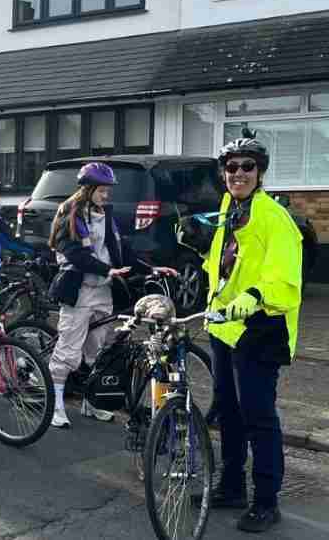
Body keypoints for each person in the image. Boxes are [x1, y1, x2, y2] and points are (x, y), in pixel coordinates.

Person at [199, 131, 302, 533]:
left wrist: (256, 295)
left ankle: (266, 501)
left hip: (262, 328)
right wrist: (196, 247)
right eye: (231, 167)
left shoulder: (274, 218)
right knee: (229, 411)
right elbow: (225, 264)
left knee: (258, 417)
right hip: (226, 327)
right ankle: (231, 487)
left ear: (260, 173)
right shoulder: (230, 208)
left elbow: (286, 278)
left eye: (248, 167)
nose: (238, 173)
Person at [46, 162, 177, 429]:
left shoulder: (105, 215)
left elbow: (121, 251)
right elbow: (74, 254)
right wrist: (108, 270)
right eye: (102, 190)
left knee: (97, 352)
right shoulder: (69, 214)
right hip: (79, 291)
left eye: (108, 190)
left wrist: (151, 268)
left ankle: (91, 401)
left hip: (103, 291)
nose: (107, 195)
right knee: (68, 352)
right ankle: (55, 404)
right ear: (87, 189)